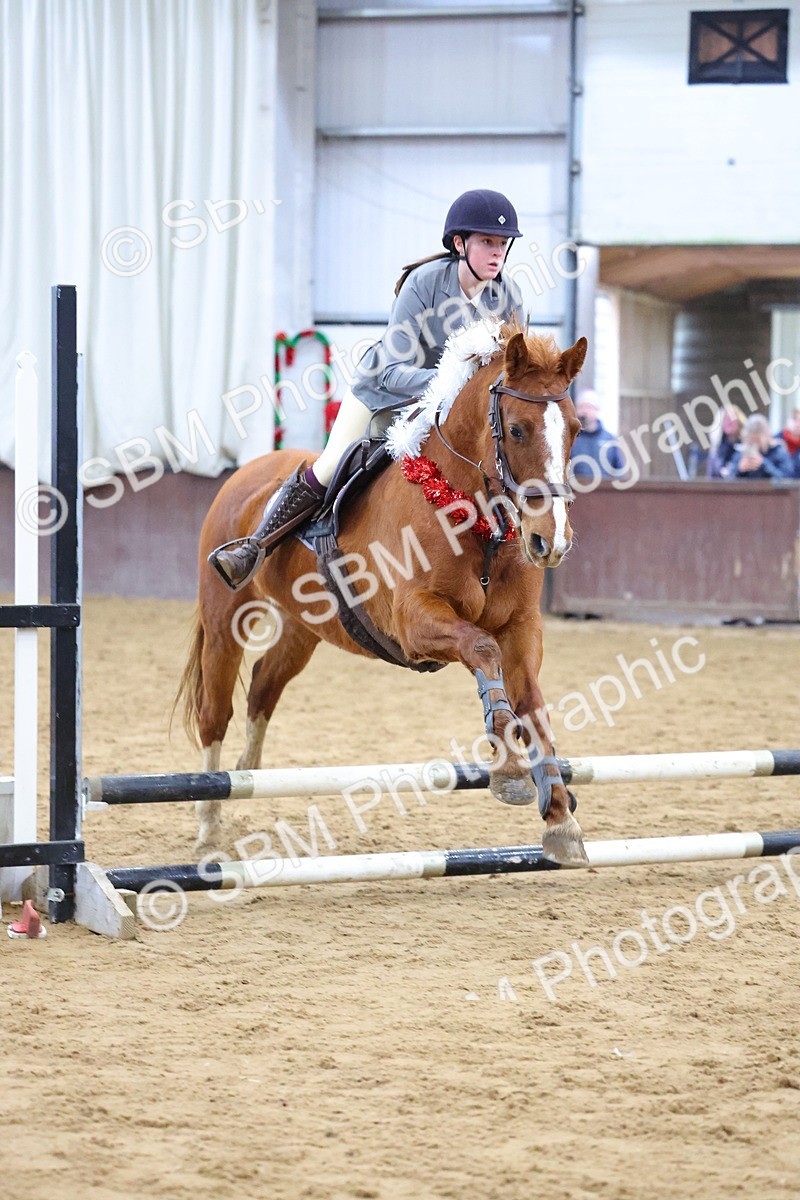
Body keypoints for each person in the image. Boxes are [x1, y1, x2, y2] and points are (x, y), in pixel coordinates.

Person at [209, 189, 526, 590]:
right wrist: (456, 387)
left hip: (453, 413)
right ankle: (255, 546)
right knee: (330, 464)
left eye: (501, 243)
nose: (496, 252)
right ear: (460, 244)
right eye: (486, 242)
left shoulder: (508, 296)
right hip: (386, 397)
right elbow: (393, 371)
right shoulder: (424, 284)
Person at [570, 390, 624, 479]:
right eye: (581, 407)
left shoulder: (609, 439)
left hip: (603, 491)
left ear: (596, 410)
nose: (584, 411)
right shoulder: (570, 439)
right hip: (577, 490)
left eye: (588, 407)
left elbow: (619, 473)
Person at [728, 413, 793, 480]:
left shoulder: (779, 453)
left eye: (757, 440)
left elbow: (786, 480)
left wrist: (763, 464)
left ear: (767, 437)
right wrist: (739, 470)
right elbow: (727, 483)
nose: (754, 445)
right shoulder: (740, 454)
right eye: (751, 441)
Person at [706, 405, 745, 478]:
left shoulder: (744, 444)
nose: (729, 422)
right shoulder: (717, 448)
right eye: (726, 419)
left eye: (732, 419)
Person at [780, 407, 800, 479]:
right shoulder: (776, 441)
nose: (798, 424)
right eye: (795, 419)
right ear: (788, 421)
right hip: (778, 487)